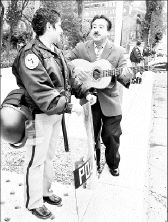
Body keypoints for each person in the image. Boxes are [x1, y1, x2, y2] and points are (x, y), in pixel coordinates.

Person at [11, 8, 96, 219]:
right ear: (49, 26)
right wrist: (69, 106)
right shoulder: (30, 54)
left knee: (48, 157)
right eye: (59, 26)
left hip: (54, 115)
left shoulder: (55, 50)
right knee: (34, 159)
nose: (61, 30)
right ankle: (33, 202)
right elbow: (41, 91)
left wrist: (85, 92)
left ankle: (45, 192)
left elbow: (69, 77)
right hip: (35, 117)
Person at [66, 15, 134, 176]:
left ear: (108, 31)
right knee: (91, 135)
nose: (96, 29)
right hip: (88, 98)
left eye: (101, 27)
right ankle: (94, 163)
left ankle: (113, 163)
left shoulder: (118, 51)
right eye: (94, 26)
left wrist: (127, 73)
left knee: (112, 135)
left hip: (110, 100)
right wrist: (76, 69)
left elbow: (127, 72)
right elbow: (64, 61)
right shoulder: (81, 48)